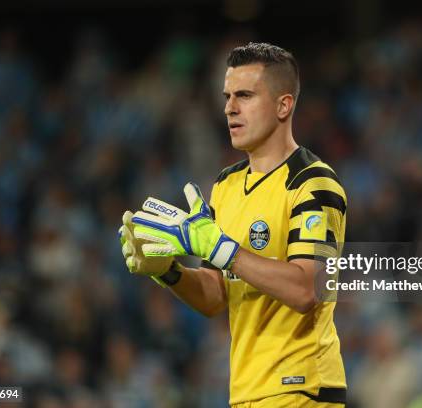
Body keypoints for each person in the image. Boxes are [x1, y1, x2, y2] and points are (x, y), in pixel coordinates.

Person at [119, 42, 347, 407]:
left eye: (245, 95)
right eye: (227, 96)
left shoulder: (312, 183)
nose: (229, 108)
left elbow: (307, 289)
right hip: (246, 392)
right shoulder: (225, 185)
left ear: (283, 105)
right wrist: (168, 272)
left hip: (301, 388)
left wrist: (221, 249)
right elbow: (215, 295)